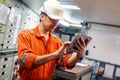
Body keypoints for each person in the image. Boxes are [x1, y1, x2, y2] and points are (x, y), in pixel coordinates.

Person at [17, 0, 87, 80]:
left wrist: (78, 55)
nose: (56, 23)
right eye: (53, 19)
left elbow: (66, 62)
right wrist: (55, 54)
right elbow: (26, 61)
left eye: (58, 20)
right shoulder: (26, 35)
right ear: (42, 16)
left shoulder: (56, 41)